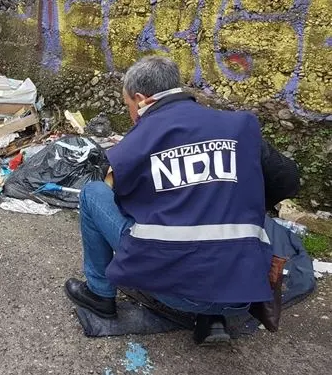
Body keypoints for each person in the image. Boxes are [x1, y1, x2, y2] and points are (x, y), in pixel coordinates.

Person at [63, 56, 300, 345]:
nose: (130, 115)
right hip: (242, 294)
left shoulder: (139, 142)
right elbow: (288, 180)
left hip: (174, 292)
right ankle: (213, 318)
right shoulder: (238, 127)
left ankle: (100, 294)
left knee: (93, 194)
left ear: (140, 100)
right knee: (215, 208)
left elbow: (119, 197)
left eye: (127, 106)